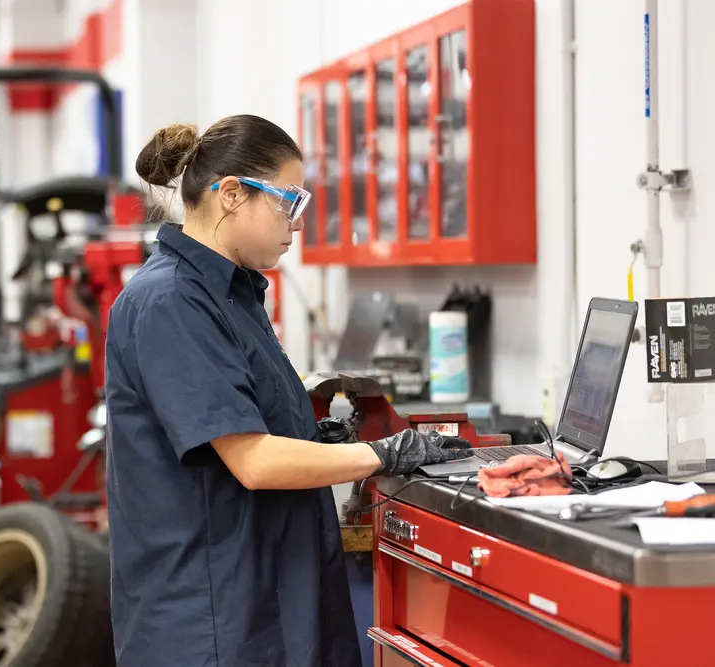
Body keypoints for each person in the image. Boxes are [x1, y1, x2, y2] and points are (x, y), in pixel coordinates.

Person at [103, 114, 473, 667]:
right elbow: (252, 461)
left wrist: (314, 437)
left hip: (264, 592)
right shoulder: (172, 302)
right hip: (208, 617)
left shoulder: (234, 294)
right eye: (288, 201)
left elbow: (248, 418)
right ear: (231, 194)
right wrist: (379, 454)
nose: (297, 223)